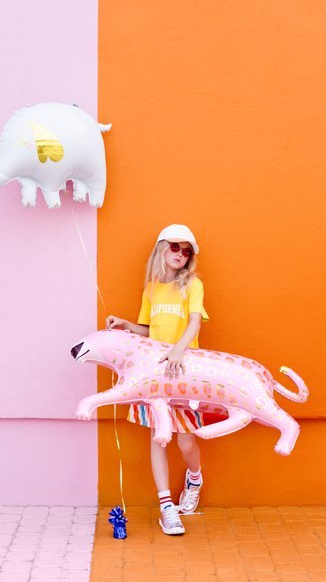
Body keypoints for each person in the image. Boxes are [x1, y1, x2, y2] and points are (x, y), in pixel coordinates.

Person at [106, 224, 209, 535]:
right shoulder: (151, 288)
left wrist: (179, 350)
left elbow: (195, 322)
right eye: (175, 247)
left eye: (186, 251)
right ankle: (167, 508)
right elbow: (149, 330)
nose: (180, 254)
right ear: (162, 248)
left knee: (186, 440)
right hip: (156, 373)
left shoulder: (192, 285)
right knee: (158, 437)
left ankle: (194, 478)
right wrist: (126, 325)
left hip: (185, 371)